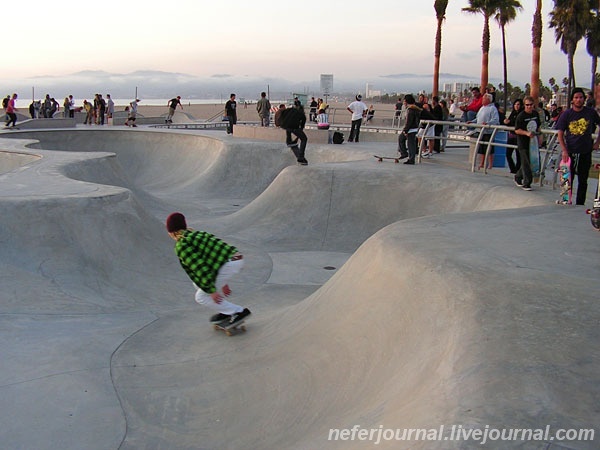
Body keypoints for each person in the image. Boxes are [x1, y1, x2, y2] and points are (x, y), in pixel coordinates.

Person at [166, 212, 252, 325]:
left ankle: (238, 312)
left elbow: (201, 268)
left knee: (201, 296)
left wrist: (212, 290)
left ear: (171, 232)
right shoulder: (198, 234)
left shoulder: (182, 245)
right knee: (197, 284)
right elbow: (215, 256)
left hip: (229, 264)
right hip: (234, 258)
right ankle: (226, 310)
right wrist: (223, 282)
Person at [555, 87, 600, 205]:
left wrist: (597, 142)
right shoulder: (566, 114)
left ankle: (580, 203)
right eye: (576, 98)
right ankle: (566, 201)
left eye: (580, 97)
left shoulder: (590, 113)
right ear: (572, 100)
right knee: (567, 178)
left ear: (584, 99)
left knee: (583, 180)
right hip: (570, 152)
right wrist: (564, 150)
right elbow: (560, 133)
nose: (578, 100)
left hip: (585, 151)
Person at [514, 96, 542, 191]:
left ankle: (518, 176)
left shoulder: (535, 114)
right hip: (523, 142)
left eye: (530, 105)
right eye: (527, 105)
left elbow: (538, 126)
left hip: (533, 143)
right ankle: (527, 183)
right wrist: (526, 133)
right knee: (526, 162)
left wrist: (539, 136)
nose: (529, 107)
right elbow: (517, 130)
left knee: (530, 161)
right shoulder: (521, 116)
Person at [474, 93, 500, 170]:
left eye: (484, 99)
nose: (482, 100)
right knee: (482, 148)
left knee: (489, 148)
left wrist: (488, 123)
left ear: (488, 100)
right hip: (480, 130)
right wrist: (472, 121)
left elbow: (495, 119)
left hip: (488, 132)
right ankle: (482, 163)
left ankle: (490, 164)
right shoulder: (482, 108)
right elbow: (478, 118)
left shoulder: (492, 108)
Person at [398, 94, 420, 165]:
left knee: (410, 144)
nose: (403, 102)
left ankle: (411, 159)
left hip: (411, 129)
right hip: (413, 128)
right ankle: (405, 153)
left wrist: (405, 130)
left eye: (404, 101)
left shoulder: (410, 109)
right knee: (402, 139)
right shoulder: (415, 108)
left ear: (407, 101)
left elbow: (409, 121)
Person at [503, 98, 523, 174]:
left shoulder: (521, 114)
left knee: (519, 155)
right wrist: (506, 122)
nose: (516, 106)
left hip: (518, 137)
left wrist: (510, 122)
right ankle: (513, 169)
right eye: (515, 104)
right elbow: (509, 122)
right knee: (508, 154)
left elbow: (517, 124)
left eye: (518, 104)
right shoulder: (513, 113)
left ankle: (517, 170)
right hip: (511, 136)